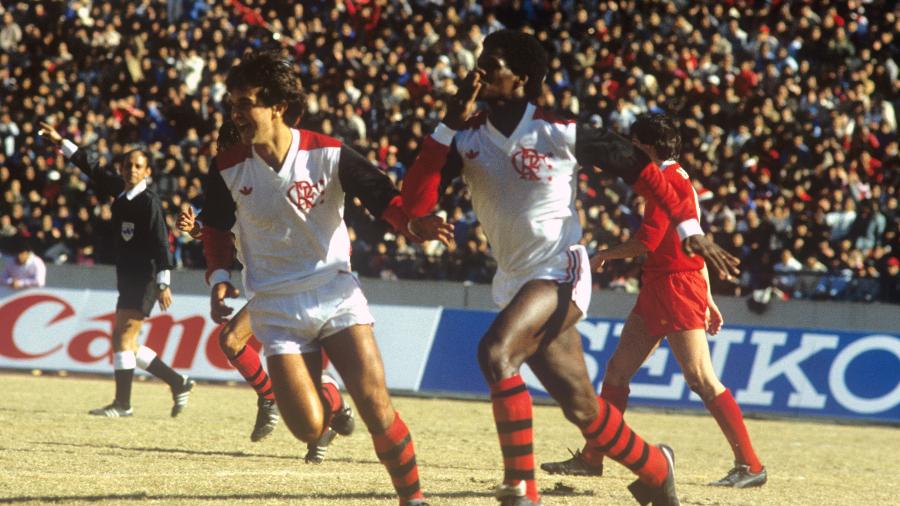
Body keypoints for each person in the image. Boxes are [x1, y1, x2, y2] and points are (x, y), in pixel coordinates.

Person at [402, 30, 739, 506]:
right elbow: (417, 201)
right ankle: (656, 467)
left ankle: (521, 486)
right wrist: (445, 126)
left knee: (496, 353)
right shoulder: (466, 136)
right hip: (514, 279)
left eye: (491, 62)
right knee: (582, 407)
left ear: (521, 77)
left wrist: (689, 228)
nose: (479, 70)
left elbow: (643, 170)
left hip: (562, 268)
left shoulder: (560, 128)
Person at [201, 50, 448, 506]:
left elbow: (383, 199)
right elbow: (214, 227)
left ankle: (413, 500)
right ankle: (332, 400)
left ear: (276, 105)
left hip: (335, 293)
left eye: (246, 102)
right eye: (232, 104)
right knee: (309, 428)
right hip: (274, 308)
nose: (236, 113)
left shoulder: (328, 152)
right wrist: (219, 275)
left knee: (377, 407)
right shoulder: (227, 166)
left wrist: (412, 225)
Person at [540, 113, 766, 488]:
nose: (629, 150)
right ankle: (593, 456)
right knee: (616, 372)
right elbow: (694, 237)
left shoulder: (664, 182)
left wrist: (602, 255)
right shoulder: (680, 180)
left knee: (701, 379)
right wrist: (708, 296)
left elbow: (646, 240)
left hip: (676, 287)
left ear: (644, 146)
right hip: (664, 285)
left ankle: (750, 464)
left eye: (633, 144)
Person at [177, 136, 353, 463]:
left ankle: (310, 409)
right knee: (253, 351)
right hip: (265, 286)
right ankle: (320, 409)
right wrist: (197, 229)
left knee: (241, 344)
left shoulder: (272, 180)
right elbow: (218, 226)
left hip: (296, 282)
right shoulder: (221, 189)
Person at [38, 121, 196, 418]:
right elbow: (94, 168)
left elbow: (163, 243)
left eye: (138, 166)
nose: (132, 170)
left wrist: (164, 282)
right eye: (128, 165)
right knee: (125, 342)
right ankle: (179, 381)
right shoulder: (122, 194)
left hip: (146, 279)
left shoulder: (149, 203)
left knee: (123, 340)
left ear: (147, 172)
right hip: (128, 278)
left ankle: (123, 404)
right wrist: (62, 141)